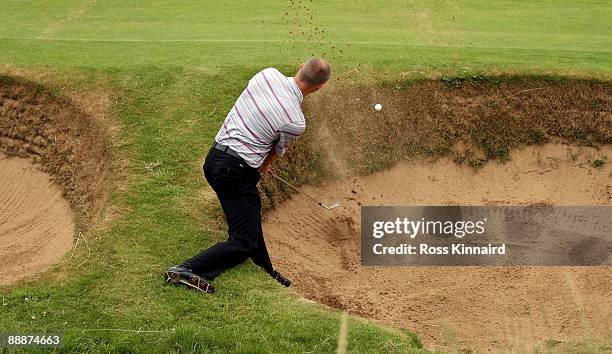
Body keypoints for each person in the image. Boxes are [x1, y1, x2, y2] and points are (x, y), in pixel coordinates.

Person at [165, 58, 331, 293]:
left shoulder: (267, 74)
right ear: (319, 87)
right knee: (243, 242)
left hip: (214, 159)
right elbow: (274, 153)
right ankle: (187, 269)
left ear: (300, 67)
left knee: (249, 220)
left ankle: (265, 270)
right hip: (235, 172)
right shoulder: (295, 121)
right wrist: (263, 166)